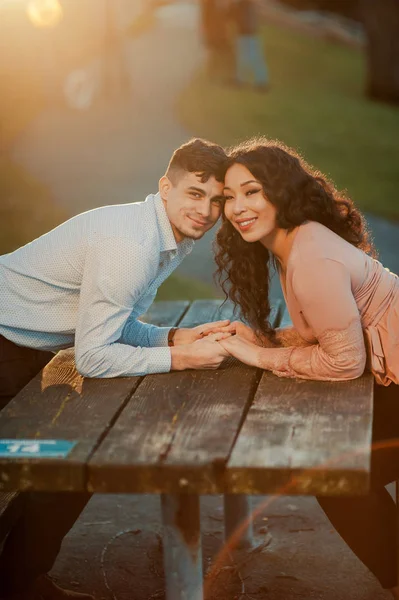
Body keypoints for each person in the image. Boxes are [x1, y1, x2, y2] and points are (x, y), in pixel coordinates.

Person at [0, 137, 231, 600]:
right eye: (195, 193)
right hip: (7, 340)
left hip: (24, 343)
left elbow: (114, 325)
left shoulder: (160, 231)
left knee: (68, 462)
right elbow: (93, 356)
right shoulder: (132, 244)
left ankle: (18, 579)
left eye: (217, 200)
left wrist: (172, 337)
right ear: (166, 187)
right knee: (65, 463)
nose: (206, 210)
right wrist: (182, 358)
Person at [211, 137, 399, 599]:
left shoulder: (310, 256)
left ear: (280, 191)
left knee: (335, 475)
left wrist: (260, 356)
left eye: (252, 191)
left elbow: (344, 361)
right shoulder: (294, 242)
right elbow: (337, 332)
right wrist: (267, 339)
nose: (238, 207)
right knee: (336, 470)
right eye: (229, 197)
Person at [230, 0, 269, 91]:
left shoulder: (247, 4)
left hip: (249, 34)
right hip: (244, 34)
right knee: (241, 58)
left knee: (255, 58)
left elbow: (243, 18)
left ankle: (261, 82)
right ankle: (241, 79)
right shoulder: (243, 4)